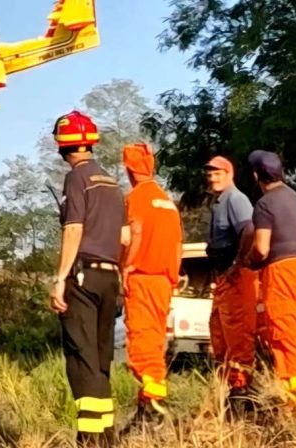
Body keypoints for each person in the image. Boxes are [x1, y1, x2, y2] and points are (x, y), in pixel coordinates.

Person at [49, 110, 127, 446]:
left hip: (82, 275)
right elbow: (124, 238)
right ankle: (107, 436)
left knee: (82, 359)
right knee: (101, 358)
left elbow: (74, 228)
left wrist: (60, 278)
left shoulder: (76, 178)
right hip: (111, 277)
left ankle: (91, 439)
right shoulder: (111, 183)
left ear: (62, 144)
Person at [247, 149, 296, 416]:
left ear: (256, 175)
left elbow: (262, 248)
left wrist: (249, 261)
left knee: (285, 333)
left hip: (282, 271)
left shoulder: (265, 205)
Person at [120, 143, 183, 423]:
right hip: (165, 280)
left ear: (129, 169)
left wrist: (127, 266)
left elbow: (135, 232)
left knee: (141, 342)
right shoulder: (166, 200)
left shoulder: (137, 198)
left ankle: (155, 397)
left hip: (143, 277)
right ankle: (146, 408)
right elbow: (178, 245)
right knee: (155, 340)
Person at [202, 156, 260, 403]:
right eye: (209, 174)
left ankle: (243, 392)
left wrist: (238, 264)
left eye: (217, 173)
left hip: (237, 278)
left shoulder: (236, 199)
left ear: (229, 173)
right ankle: (234, 388)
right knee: (220, 333)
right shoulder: (218, 201)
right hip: (224, 278)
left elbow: (249, 231)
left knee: (237, 334)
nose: (212, 178)